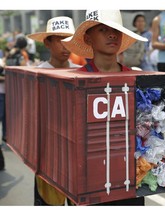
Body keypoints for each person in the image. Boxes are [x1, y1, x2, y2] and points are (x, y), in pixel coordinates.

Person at [61, 9, 148, 206]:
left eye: (116, 30)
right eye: (102, 29)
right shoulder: (73, 82)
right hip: (88, 183)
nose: (111, 34)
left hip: (129, 182)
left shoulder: (137, 80)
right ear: (88, 38)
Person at [27, 16, 80, 206]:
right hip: (48, 155)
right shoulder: (37, 74)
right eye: (59, 40)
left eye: (69, 40)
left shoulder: (81, 73)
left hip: (75, 154)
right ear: (47, 42)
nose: (65, 46)